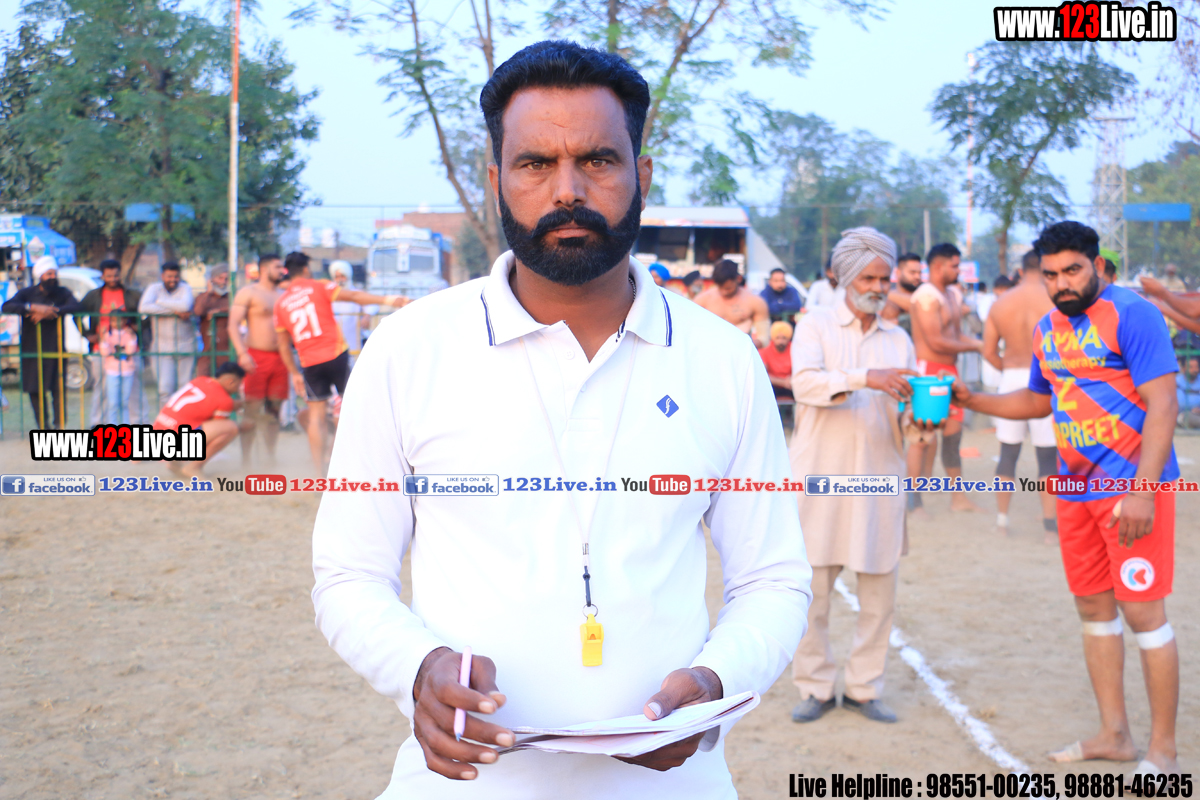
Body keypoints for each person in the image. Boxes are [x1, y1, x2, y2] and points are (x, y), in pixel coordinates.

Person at [310, 40, 812, 798]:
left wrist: (717, 680)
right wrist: (417, 668)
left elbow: (773, 578)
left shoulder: (721, 360)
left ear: (642, 174)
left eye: (598, 161)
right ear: (496, 180)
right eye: (535, 163)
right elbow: (348, 573)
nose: (567, 190)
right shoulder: (410, 349)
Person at [953, 221, 1181, 776]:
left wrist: (1144, 491)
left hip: (1129, 490)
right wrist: (972, 399)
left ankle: (1164, 752)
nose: (1062, 284)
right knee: (1093, 609)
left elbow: (1164, 403)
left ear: (1097, 265)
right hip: (1075, 490)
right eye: (1052, 274)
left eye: (1072, 270)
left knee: (1143, 613)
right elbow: (1039, 401)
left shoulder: (1133, 314)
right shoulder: (1047, 329)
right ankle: (1114, 735)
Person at [787, 227, 919, 726]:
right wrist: (867, 378)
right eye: (869, 278)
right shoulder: (815, 325)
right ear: (846, 278)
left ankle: (865, 689)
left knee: (879, 598)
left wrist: (922, 421)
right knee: (813, 596)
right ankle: (815, 687)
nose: (879, 287)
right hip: (820, 478)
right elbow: (804, 385)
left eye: (885, 278)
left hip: (881, 478)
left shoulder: (899, 338)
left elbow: (906, 415)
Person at [274, 251, 406, 472]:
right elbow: (353, 296)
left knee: (316, 416)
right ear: (306, 269)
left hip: (309, 361)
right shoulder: (318, 286)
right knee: (354, 405)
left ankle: (319, 472)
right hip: (335, 354)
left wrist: (294, 373)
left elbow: (282, 344)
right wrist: (388, 300)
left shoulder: (281, 303)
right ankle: (357, 463)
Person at [982, 249, 1057, 540]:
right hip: (1046, 379)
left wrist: (1009, 370)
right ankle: (1050, 527)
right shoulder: (1054, 298)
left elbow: (989, 352)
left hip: (1011, 378)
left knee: (1008, 453)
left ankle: (1002, 522)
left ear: (1021, 270)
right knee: (1047, 457)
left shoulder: (1002, 302)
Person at [908, 242, 984, 514]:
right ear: (938, 266)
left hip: (950, 371)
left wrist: (981, 344)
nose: (958, 271)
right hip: (929, 371)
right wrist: (976, 347)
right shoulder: (925, 296)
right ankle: (913, 500)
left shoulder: (952, 293)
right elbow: (936, 341)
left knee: (953, 436)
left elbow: (955, 335)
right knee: (922, 436)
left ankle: (958, 498)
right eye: (954, 266)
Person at [0, 255, 82, 428]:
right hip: (32, 349)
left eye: (54, 273)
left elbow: (76, 306)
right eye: (48, 274)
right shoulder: (27, 293)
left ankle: (59, 426)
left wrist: (50, 311)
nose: (52, 277)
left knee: (58, 389)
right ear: (40, 275)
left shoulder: (63, 292)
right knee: (35, 390)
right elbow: (7, 306)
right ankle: (43, 427)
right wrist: (32, 307)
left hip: (56, 348)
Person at [228, 253, 286, 464]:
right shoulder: (248, 292)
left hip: (281, 358)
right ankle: (246, 460)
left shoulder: (283, 295)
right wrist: (242, 353)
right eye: (277, 267)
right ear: (264, 269)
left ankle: (271, 457)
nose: (282, 271)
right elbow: (233, 325)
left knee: (274, 410)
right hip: (256, 357)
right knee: (251, 409)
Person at [153, 362, 250, 478]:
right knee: (231, 428)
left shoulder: (200, 380)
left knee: (188, 425)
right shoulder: (224, 400)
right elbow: (219, 425)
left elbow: (205, 403)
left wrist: (234, 405)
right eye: (238, 385)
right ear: (231, 382)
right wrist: (241, 427)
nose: (237, 390)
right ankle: (194, 466)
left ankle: (175, 464)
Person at [80, 259, 145, 425]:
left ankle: (138, 425)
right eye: (108, 276)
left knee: (134, 390)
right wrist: (87, 334)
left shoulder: (132, 295)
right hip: (102, 349)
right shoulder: (94, 296)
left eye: (116, 275)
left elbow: (146, 314)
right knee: (101, 388)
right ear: (102, 276)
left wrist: (137, 327)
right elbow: (77, 314)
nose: (113, 279)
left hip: (130, 349)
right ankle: (98, 424)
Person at [138, 261, 196, 402]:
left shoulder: (185, 288)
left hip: (186, 345)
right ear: (162, 276)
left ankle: (184, 416)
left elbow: (185, 306)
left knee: (184, 388)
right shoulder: (154, 288)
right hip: (161, 346)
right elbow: (144, 308)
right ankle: (165, 417)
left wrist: (159, 302)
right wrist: (174, 311)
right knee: (164, 389)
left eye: (176, 276)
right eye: (169, 276)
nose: (173, 280)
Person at [694, 259, 771, 347]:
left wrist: (745, 346)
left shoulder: (755, 302)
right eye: (720, 287)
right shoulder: (702, 300)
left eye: (728, 288)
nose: (724, 292)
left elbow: (764, 338)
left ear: (739, 279)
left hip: (741, 349)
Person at [193, 263, 232, 377]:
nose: (223, 282)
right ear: (212, 279)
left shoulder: (231, 297)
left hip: (227, 350)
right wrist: (208, 292)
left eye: (226, 279)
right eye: (220, 278)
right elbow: (198, 311)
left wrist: (220, 311)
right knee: (203, 379)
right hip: (208, 350)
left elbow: (237, 308)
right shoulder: (203, 297)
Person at [98, 318, 139, 424]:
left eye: (119, 320)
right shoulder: (108, 335)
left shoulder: (128, 334)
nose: (117, 323)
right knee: (113, 403)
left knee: (124, 402)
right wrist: (103, 338)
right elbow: (104, 352)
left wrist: (132, 336)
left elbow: (131, 351)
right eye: (114, 321)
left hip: (127, 370)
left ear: (124, 321)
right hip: (112, 371)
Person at [328, 260, 368, 364]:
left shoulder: (356, 294)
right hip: (335, 343)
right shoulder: (330, 296)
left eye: (342, 276)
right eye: (337, 277)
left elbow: (372, 305)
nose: (340, 280)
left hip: (353, 341)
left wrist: (367, 316)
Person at [881, 252, 922, 336]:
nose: (917, 277)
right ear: (898, 273)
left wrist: (886, 294)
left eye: (919, 273)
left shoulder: (925, 294)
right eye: (912, 272)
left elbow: (919, 306)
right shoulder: (886, 300)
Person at [759, 320, 794, 401]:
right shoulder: (765, 350)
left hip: (791, 384)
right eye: (777, 338)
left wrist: (791, 380)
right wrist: (783, 382)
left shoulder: (794, 349)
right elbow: (763, 374)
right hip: (772, 385)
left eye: (784, 338)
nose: (781, 341)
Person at [1177, 356, 1200, 428]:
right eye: (1191, 367)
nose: (1195, 370)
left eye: (1197, 367)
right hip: (1182, 416)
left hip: (1198, 414)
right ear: (1183, 369)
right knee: (1187, 417)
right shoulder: (1176, 382)